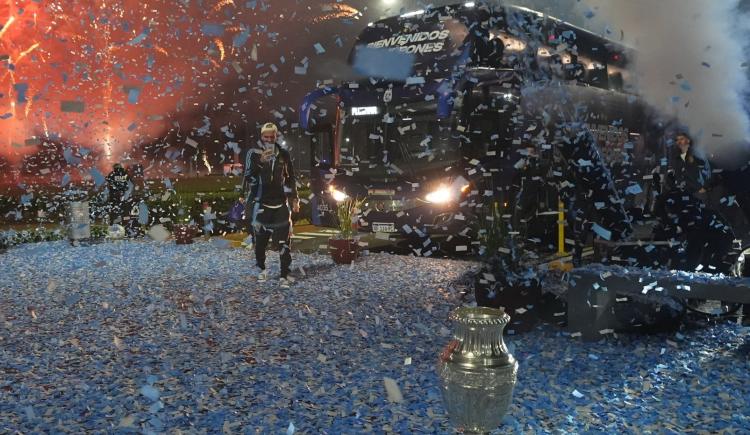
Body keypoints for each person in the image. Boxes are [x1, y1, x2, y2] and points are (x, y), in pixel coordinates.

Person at [246, 122, 300, 288]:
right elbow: (248, 176)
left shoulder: (283, 154)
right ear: (261, 137)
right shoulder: (253, 153)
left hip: (280, 203)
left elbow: (291, 177)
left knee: (284, 242)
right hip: (261, 203)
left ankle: (285, 274)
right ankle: (261, 269)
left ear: (276, 136)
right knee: (260, 241)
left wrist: (295, 198)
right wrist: (261, 162)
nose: (269, 139)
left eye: (272, 136)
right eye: (266, 136)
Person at [671, 132, 710, 201]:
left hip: (699, 187)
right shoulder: (677, 159)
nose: (679, 142)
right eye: (677, 140)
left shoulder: (695, 155)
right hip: (694, 189)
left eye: (681, 139)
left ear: (688, 141)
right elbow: (680, 176)